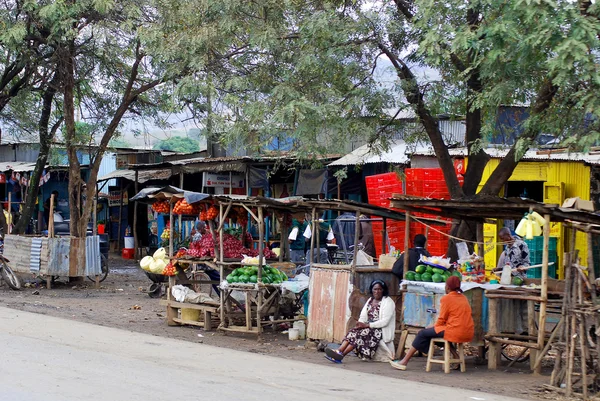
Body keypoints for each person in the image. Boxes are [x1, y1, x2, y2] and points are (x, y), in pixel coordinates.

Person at [390, 275, 474, 370]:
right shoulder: (463, 297)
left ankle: (404, 361)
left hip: (454, 330)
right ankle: (456, 356)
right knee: (436, 334)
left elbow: (442, 319)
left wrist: (433, 328)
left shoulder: (447, 298)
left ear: (448, 287)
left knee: (422, 333)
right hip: (467, 331)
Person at [325, 280, 396, 363]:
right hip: (369, 327)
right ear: (372, 290)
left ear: (383, 290)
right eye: (375, 289)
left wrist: (367, 325)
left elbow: (385, 321)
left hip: (379, 330)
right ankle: (339, 351)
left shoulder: (388, 302)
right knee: (353, 331)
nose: (377, 291)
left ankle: (341, 355)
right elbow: (363, 316)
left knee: (362, 333)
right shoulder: (370, 300)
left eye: (380, 289)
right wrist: (360, 324)